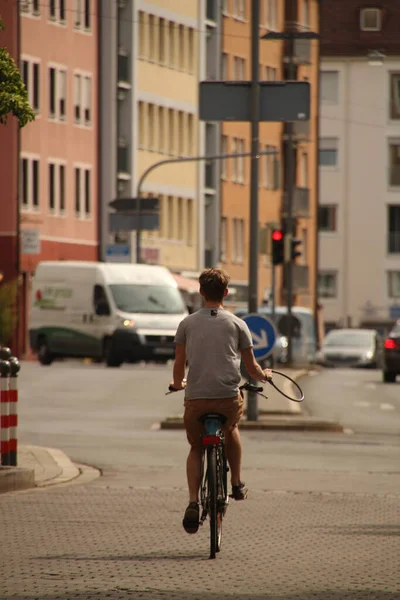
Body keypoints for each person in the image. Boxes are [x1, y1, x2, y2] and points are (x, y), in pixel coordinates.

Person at [171, 267, 272, 534]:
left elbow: (179, 364)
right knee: (231, 428)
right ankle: (236, 483)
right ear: (226, 293)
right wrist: (265, 375)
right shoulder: (239, 324)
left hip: (197, 399)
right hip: (227, 398)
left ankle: (193, 501)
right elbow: (251, 368)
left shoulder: (187, 324)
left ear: (201, 292)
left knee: (195, 447)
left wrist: (177, 383)